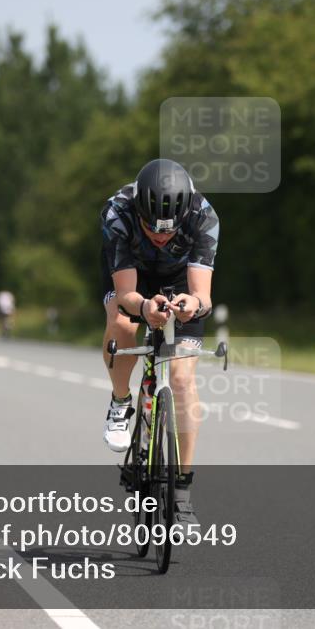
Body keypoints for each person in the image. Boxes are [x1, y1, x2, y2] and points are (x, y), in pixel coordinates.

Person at [100, 158, 218, 525]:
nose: (162, 237)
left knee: (182, 380)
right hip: (133, 283)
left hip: (180, 283)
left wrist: (192, 305)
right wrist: (145, 307)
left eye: (169, 231)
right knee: (121, 320)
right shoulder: (117, 212)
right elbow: (126, 293)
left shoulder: (203, 216)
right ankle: (121, 401)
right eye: (153, 230)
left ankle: (181, 488)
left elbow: (204, 298)